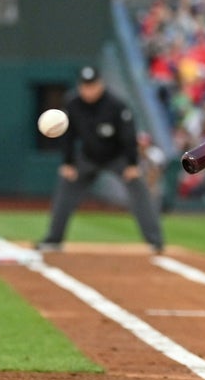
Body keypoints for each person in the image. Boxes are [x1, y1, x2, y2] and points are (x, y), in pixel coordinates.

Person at [35, 66, 165, 253]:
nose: (88, 90)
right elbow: (68, 136)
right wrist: (68, 162)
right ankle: (53, 239)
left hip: (117, 156)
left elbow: (128, 136)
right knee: (65, 187)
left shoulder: (116, 105)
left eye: (92, 85)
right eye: (85, 86)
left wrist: (132, 164)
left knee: (139, 188)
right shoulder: (72, 103)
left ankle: (155, 241)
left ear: (100, 84)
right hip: (88, 156)